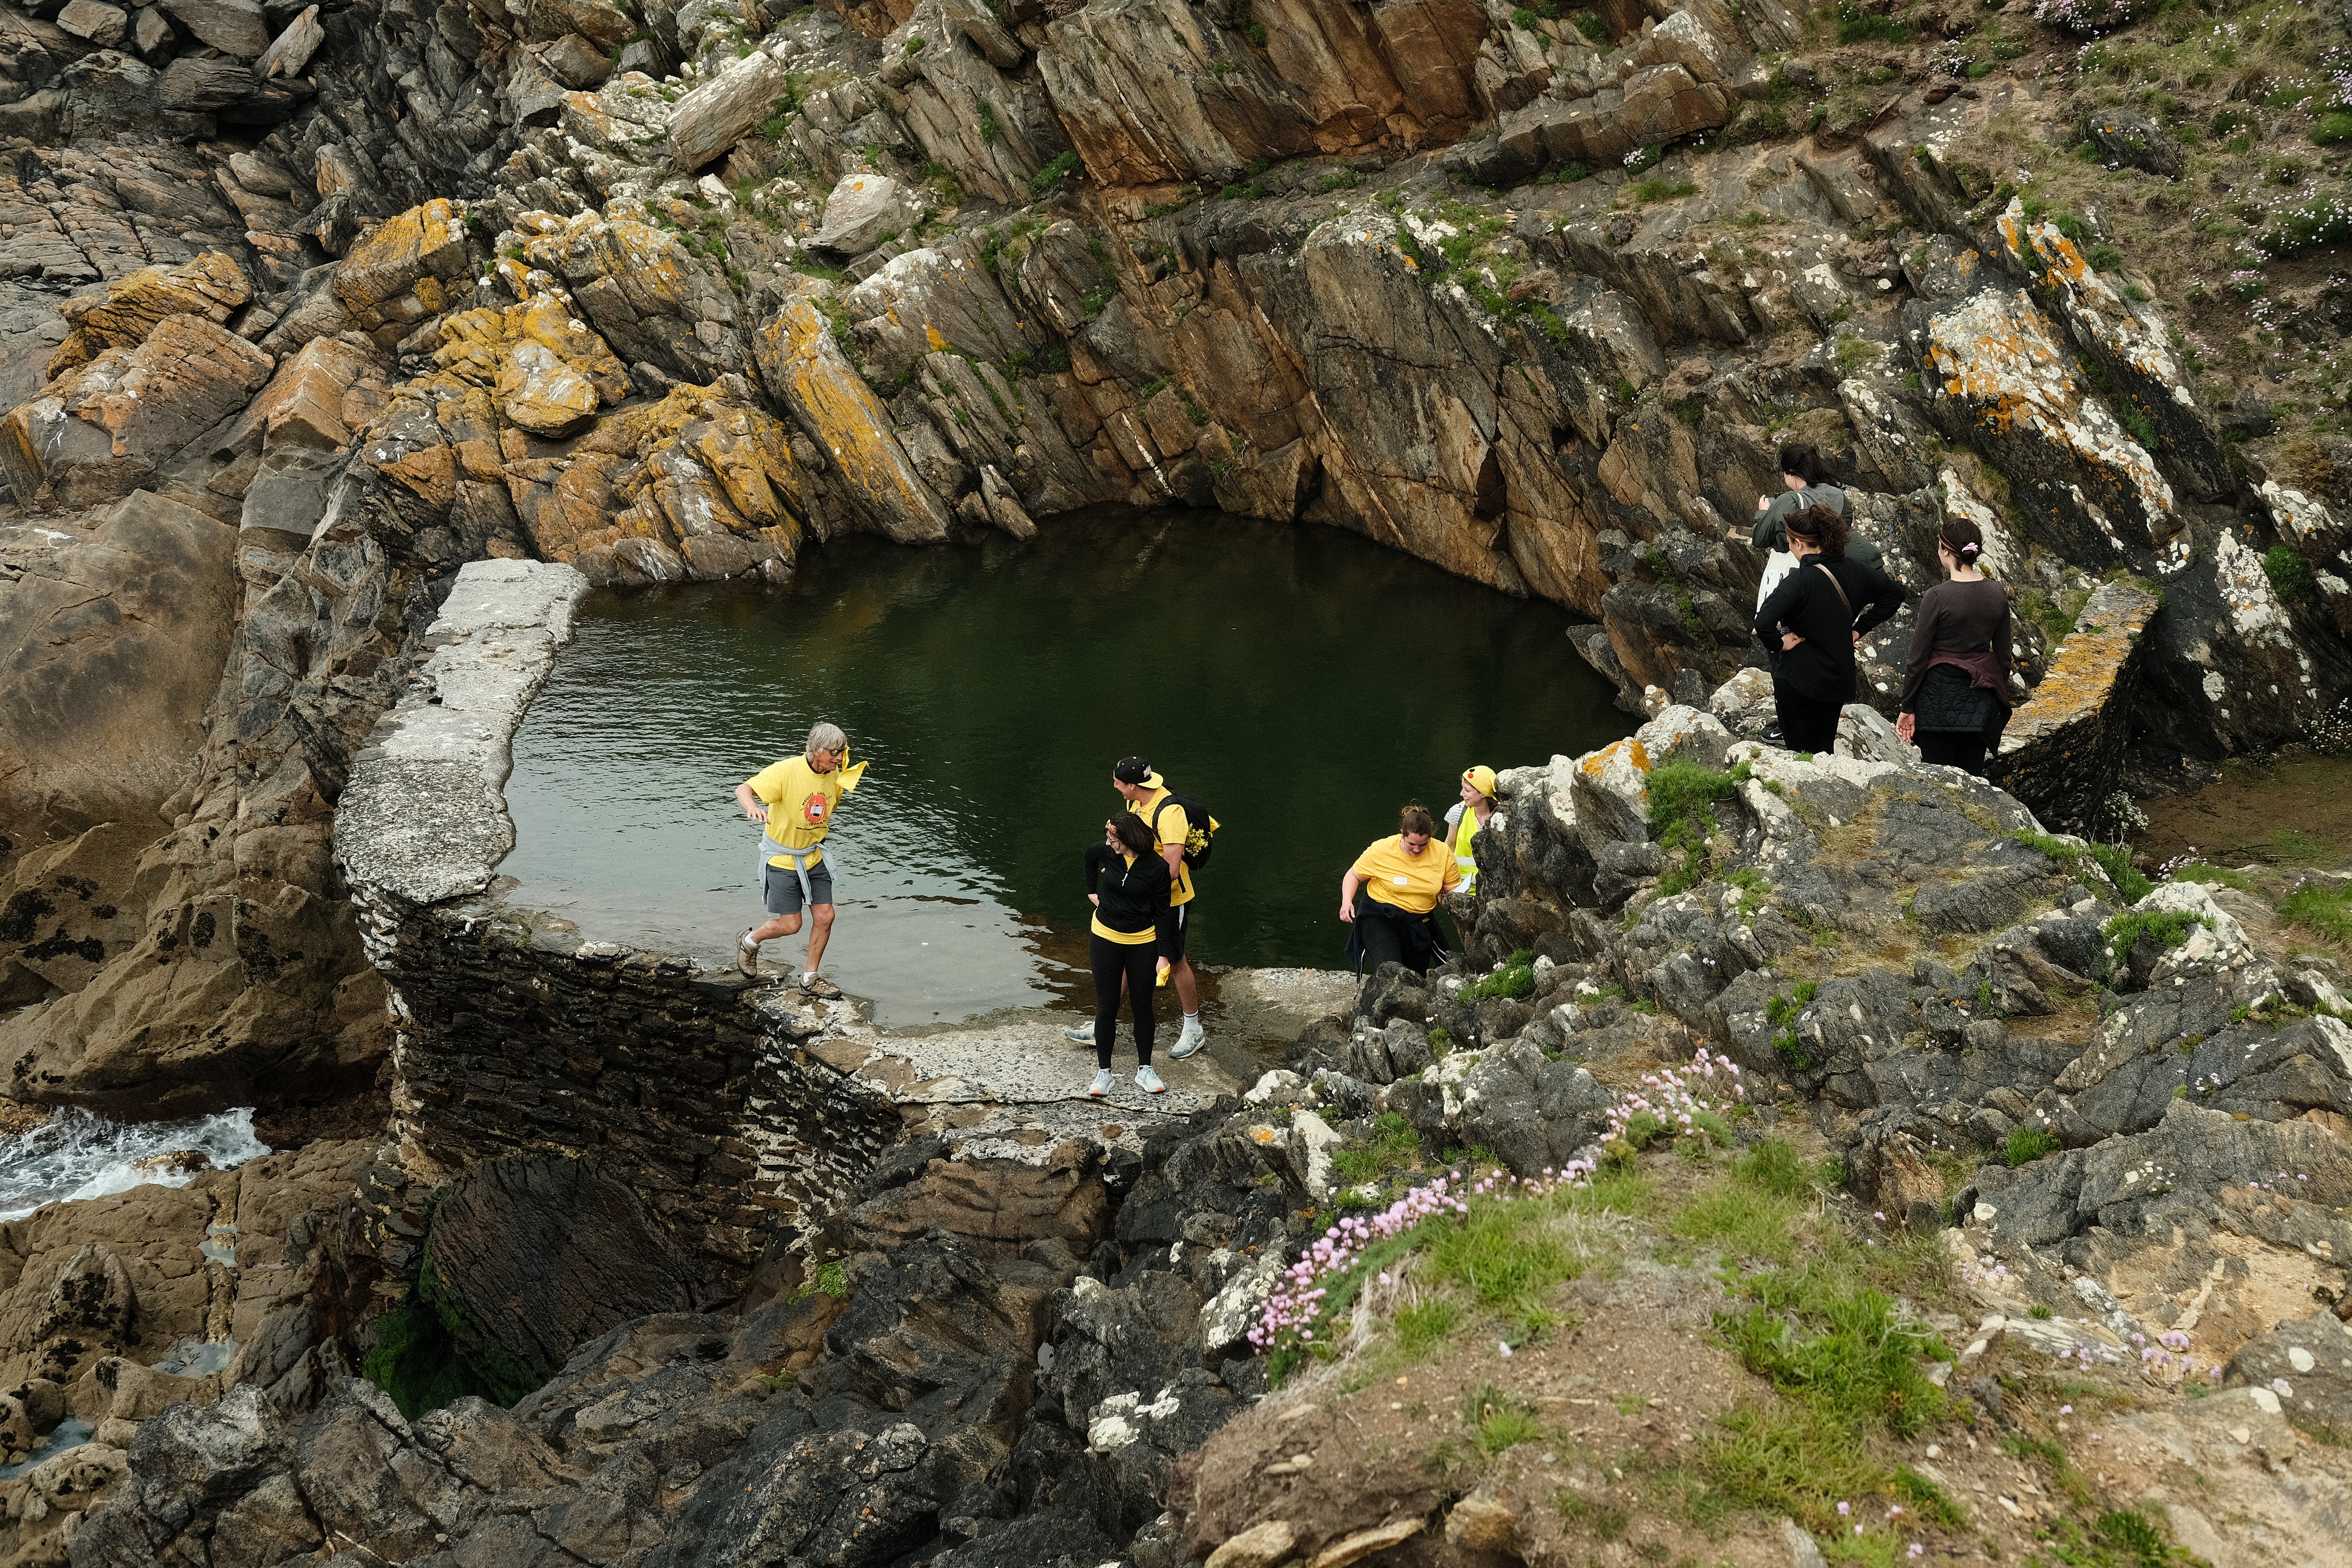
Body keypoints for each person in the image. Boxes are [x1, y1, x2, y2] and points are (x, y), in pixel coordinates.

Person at [1752, 504, 1906, 755]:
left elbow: (1764, 622)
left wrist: (1780, 644)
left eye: (1790, 541)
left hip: (1799, 677)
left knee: (1799, 754)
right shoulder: (1857, 570)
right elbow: (1893, 596)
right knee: (1824, 750)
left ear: (1800, 544)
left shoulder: (1799, 581)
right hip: (1837, 678)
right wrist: (1857, 630)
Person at [735, 721, 865, 995]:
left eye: (843, 752)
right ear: (817, 750)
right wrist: (753, 808)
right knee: (791, 925)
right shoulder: (785, 771)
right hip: (783, 859)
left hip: (814, 856)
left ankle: (810, 979)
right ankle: (750, 941)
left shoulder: (835, 775)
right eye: (834, 753)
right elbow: (743, 789)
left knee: (826, 916)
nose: (840, 758)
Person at [1897, 517, 2014, 774]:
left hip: (1936, 699)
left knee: (1938, 781)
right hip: (1980, 698)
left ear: (1946, 550)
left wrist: (1907, 708)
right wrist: (1992, 698)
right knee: (1972, 780)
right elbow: (2004, 657)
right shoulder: (1997, 592)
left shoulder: (1937, 597)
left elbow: (1917, 660)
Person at [1082, 813, 1173, 1096]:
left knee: (1142, 1005)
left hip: (1142, 941)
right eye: (1108, 839)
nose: (1109, 844)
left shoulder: (1158, 869)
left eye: (1114, 839)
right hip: (1105, 937)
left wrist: (1164, 954)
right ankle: (1104, 1073)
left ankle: (1145, 1070)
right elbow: (1089, 856)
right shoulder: (1107, 853)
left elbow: (1163, 913)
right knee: (1107, 1005)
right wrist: (1091, 893)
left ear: (1129, 839)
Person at [1340, 805, 1461, 976]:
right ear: (1402, 833)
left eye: (1423, 845)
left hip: (1419, 921)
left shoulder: (1443, 853)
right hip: (1381, 916)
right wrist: (1347, 902)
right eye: (1412, 844)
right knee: (1392, 971)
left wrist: (1449, 899)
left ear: (1430, 839)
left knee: (1416, 978)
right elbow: (1354, 875)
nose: (1417, 850)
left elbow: (1452, 889)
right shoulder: (1382, 849)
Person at [1444, 765, 1497, 896]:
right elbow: (1449, 847)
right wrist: (1443, 884)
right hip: (1460, 890)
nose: (1462, 794)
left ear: (1483, 793)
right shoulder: (1458, 812)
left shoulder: (1501, 817)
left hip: (1494, 891)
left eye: (1467, 790)